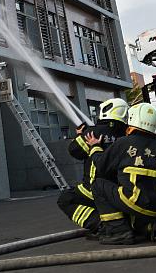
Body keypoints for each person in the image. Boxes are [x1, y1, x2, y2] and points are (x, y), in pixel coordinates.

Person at [86, 103, 156, 245]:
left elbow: (101, 167)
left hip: (134, 202)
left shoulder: (123, 143)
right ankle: (154, 227)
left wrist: (95, 147)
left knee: (98, 185)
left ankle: (119, 231)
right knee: (140, 210)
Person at [56, 97, 128, 234]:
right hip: (120, 190)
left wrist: (80, 136)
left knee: (65, 200)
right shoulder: (126, 135)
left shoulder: (94, 132)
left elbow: (74, 150)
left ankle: (100, 224)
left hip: (93, 189)